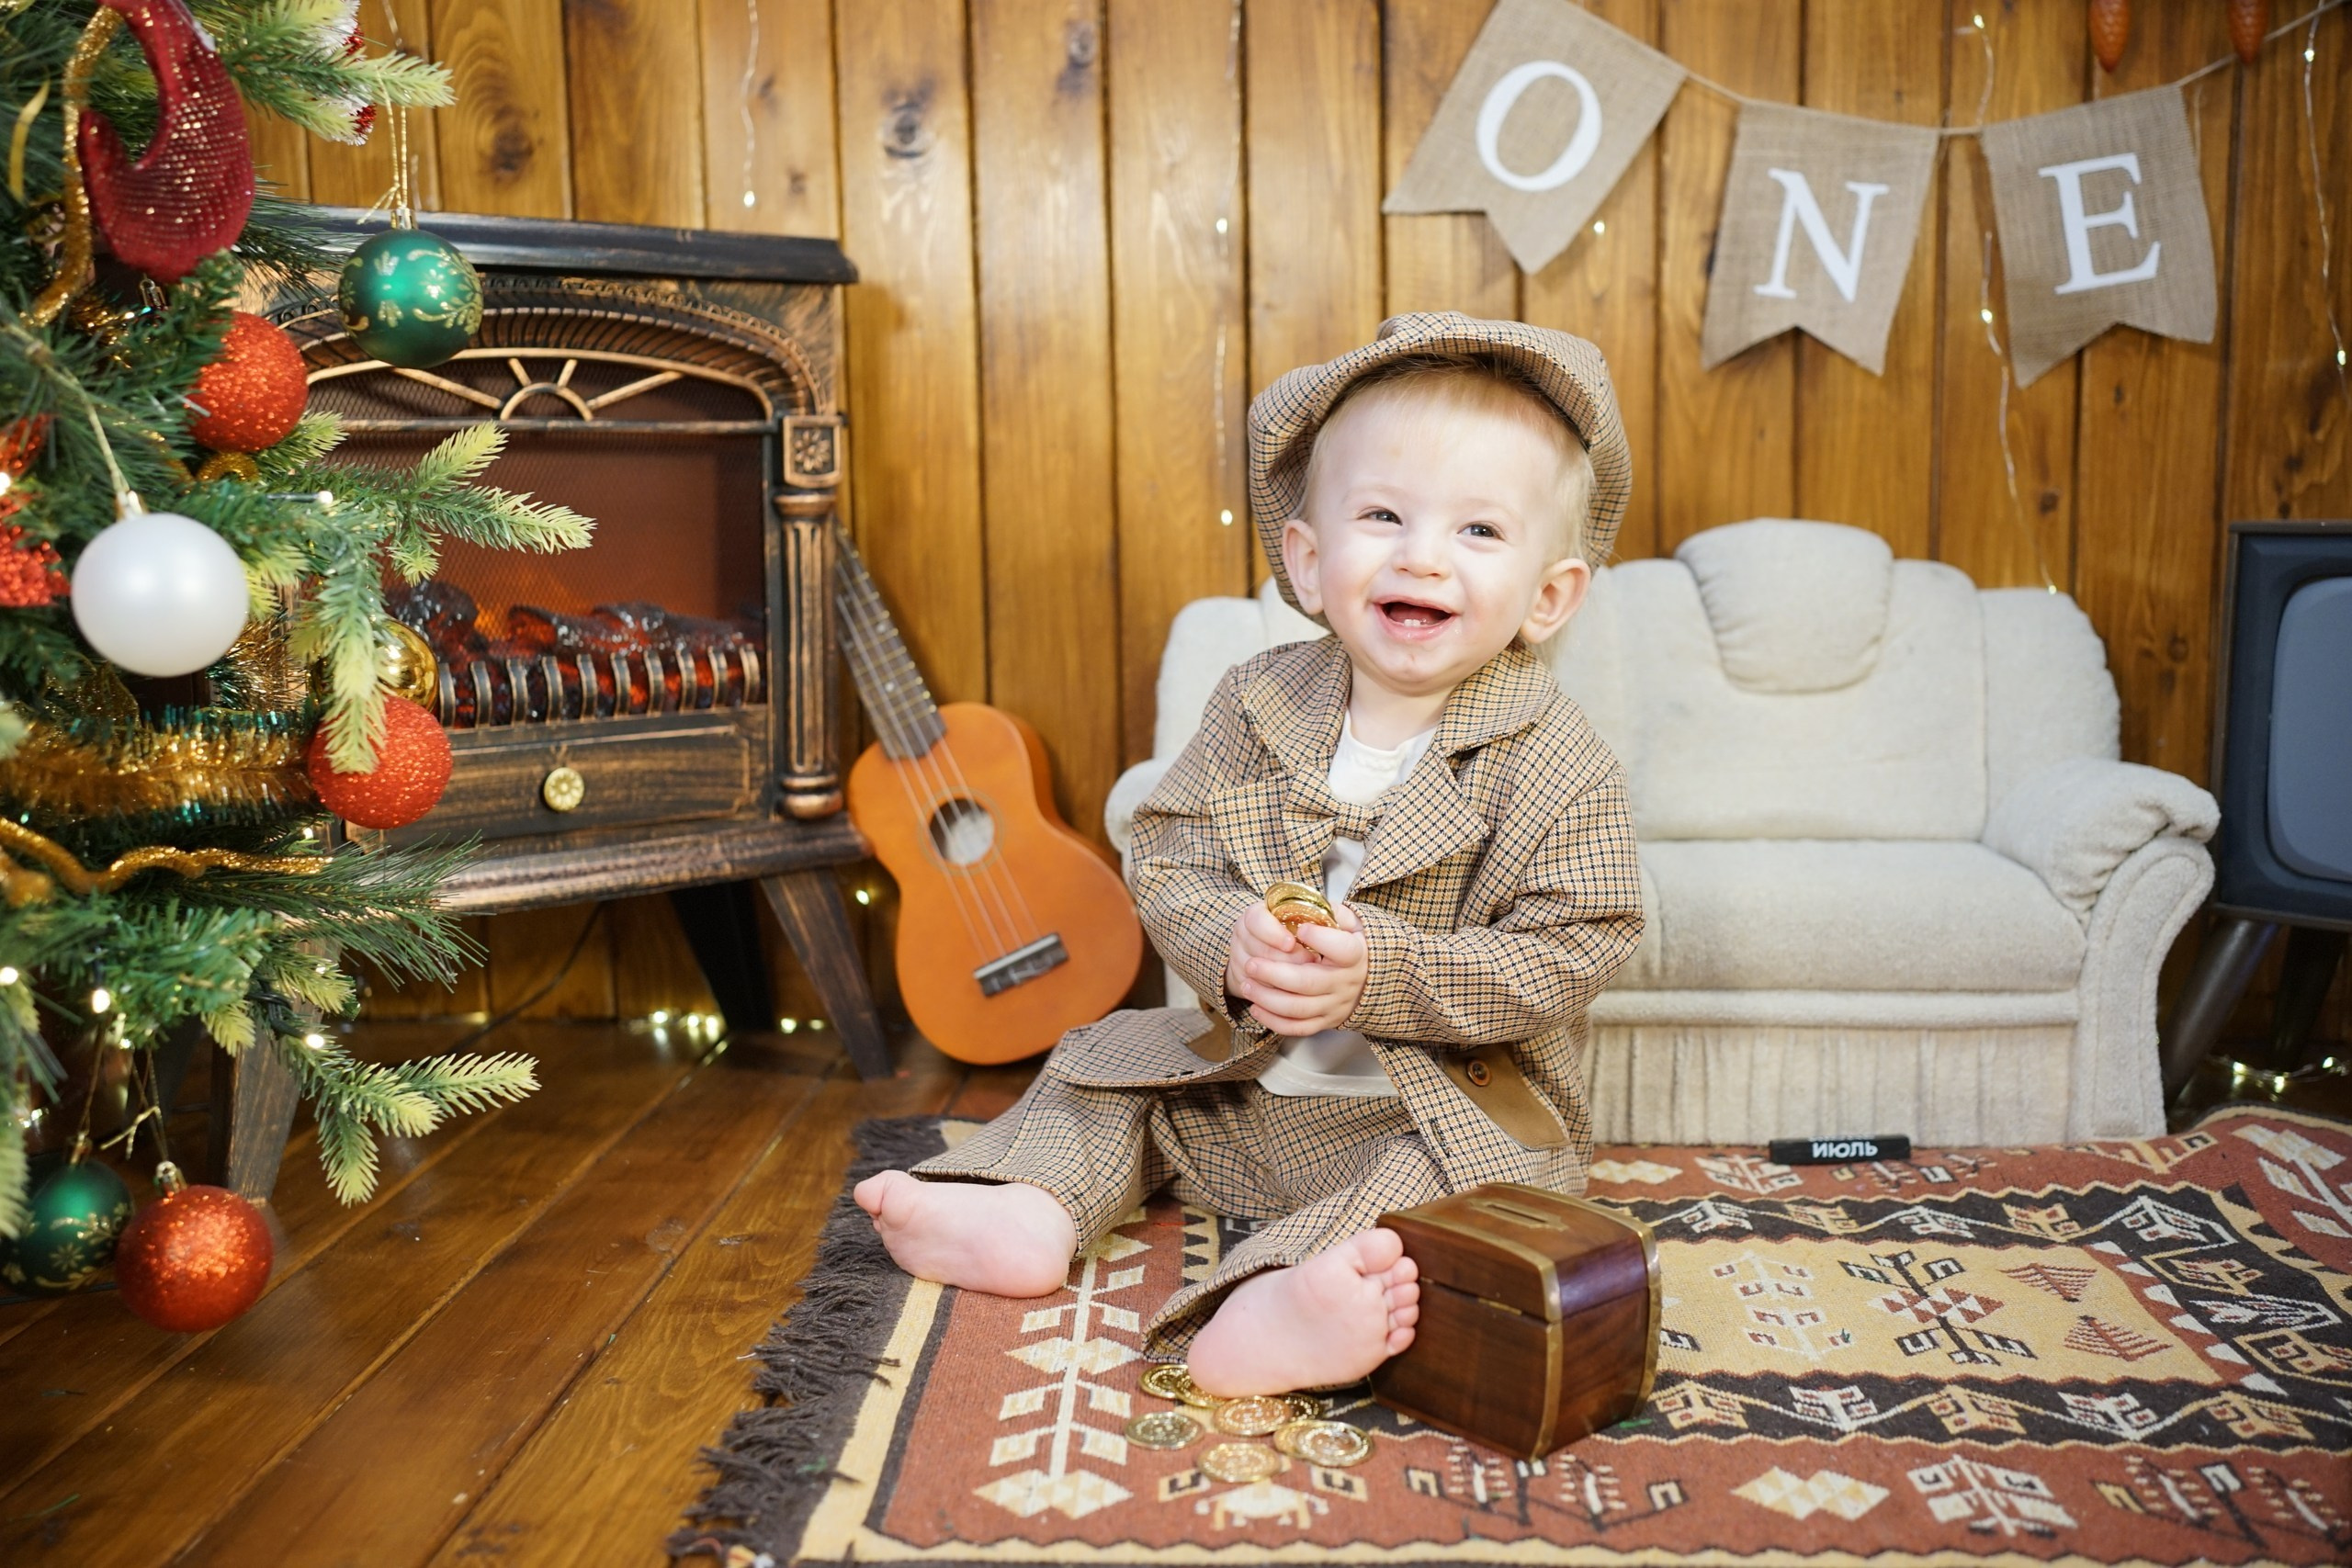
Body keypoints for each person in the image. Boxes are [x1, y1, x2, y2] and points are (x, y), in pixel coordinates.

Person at [854, 312, 1644, 1397]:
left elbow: (1580, 942)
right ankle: (1030, 1209)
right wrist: (1227, 940)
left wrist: (1389, 971)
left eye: (1477, 532)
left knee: (1451, 1194)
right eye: (1382, 516)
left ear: (1547, 597)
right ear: (1311, 563)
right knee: (1110, 1065)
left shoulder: (1553, 757)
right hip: (1248, 1090)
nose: (1421, 555)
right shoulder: (1259, 698)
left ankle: (1282, 1295)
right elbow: (1168, 848)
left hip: (1432, 1107)